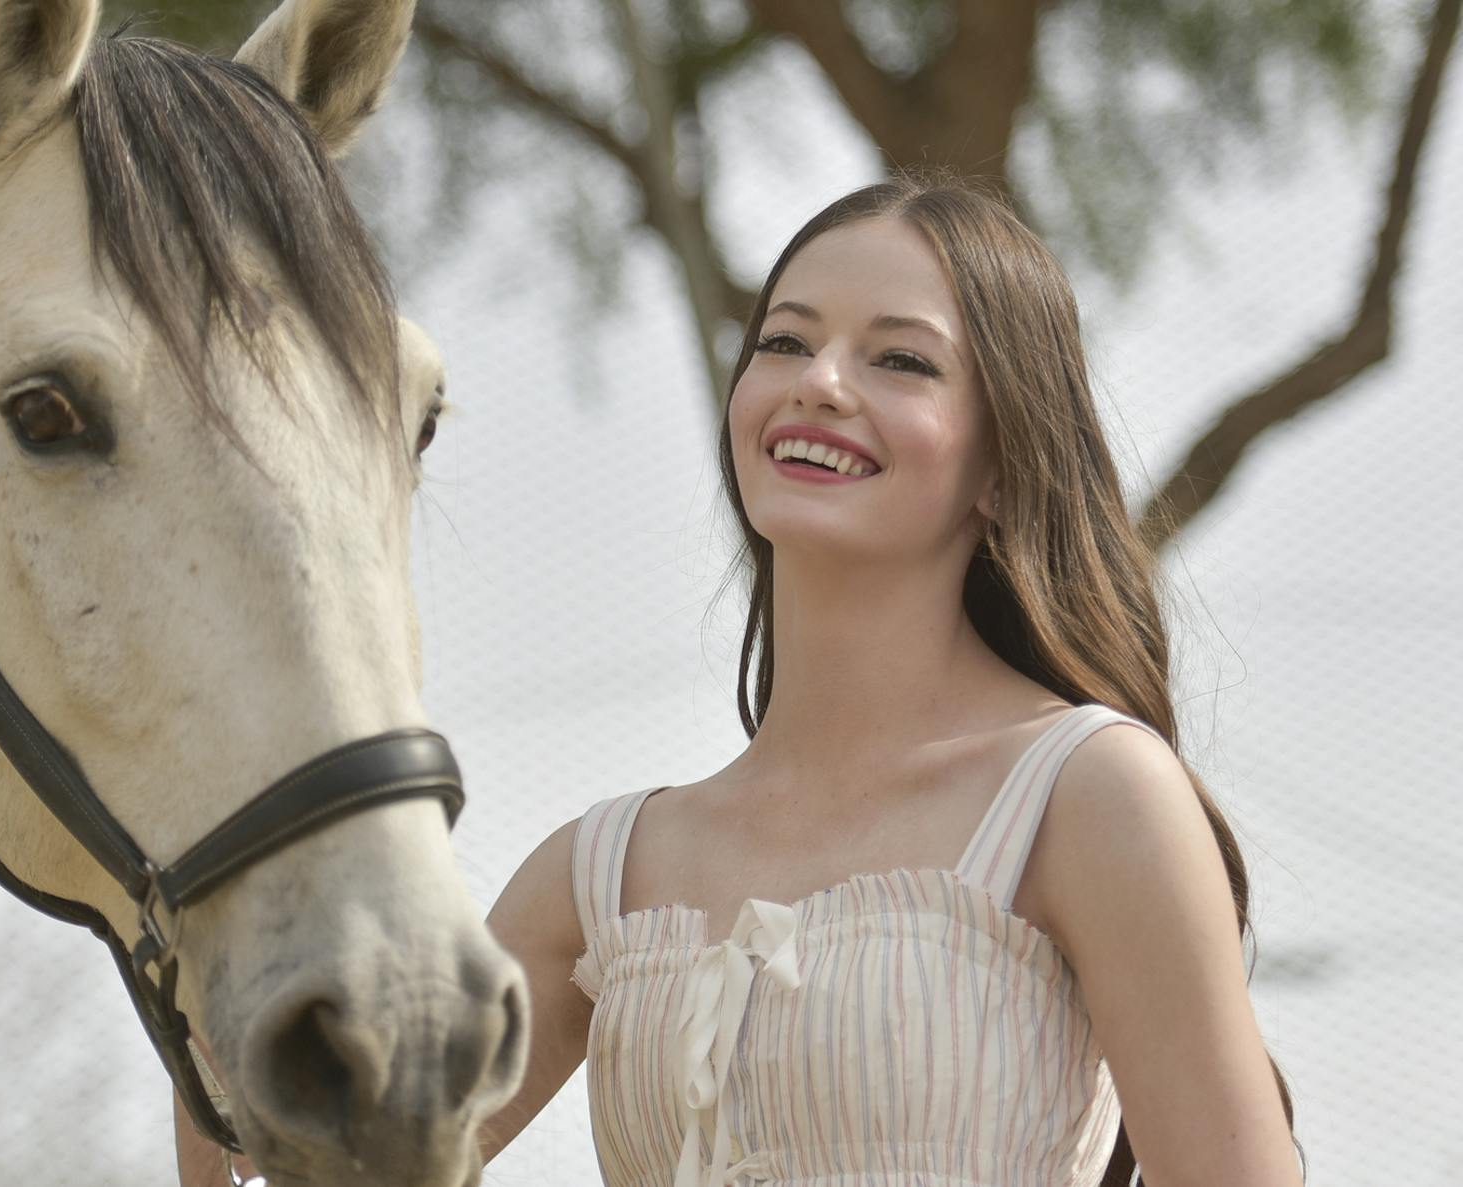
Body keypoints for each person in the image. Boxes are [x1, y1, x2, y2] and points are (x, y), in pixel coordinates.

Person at [475, 175, 1302, 1186]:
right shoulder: (598, 870)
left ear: (1003, 463)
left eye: (902, 359)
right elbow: (315, 1154)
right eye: (783, 341)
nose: (819, 380)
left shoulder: (1087, 793)